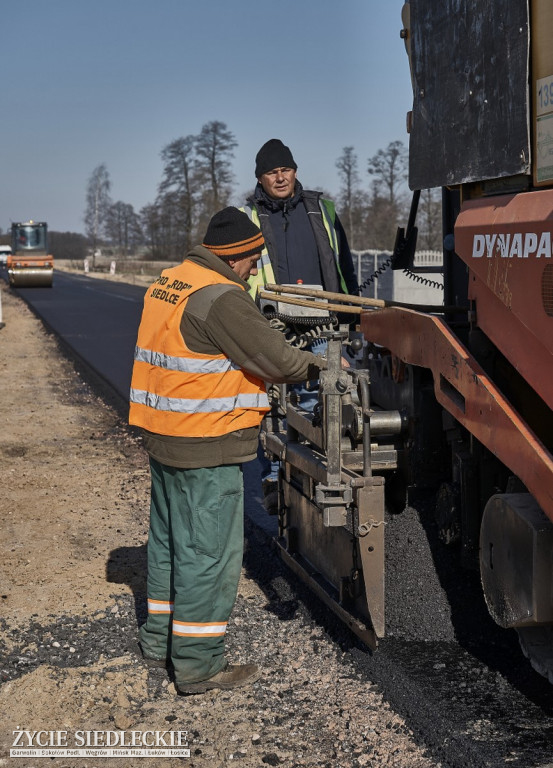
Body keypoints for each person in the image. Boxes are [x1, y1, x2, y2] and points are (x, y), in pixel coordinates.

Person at [129, 207, 326, 695]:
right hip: (206, 443)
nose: (256, 269)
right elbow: (277, 361)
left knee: (170, 542)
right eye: (254, 259)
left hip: (164, 435)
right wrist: (318, 367)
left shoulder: (171, 280)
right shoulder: (221, 298)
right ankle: (197, 665)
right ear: (236, 257)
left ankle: (159, 641)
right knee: (208, 554)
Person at [241, 139, 359, 499]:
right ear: (260, 178)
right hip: (271, 325)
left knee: (319, 398)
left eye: (285, 170)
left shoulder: (320, 209)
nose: (280, 177)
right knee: (272, 404)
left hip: (321, 324)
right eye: (272, 172)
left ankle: (314, 472)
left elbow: (343, 263)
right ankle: (276, 478)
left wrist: (351, 313)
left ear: (295, 171)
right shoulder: (248, 219)